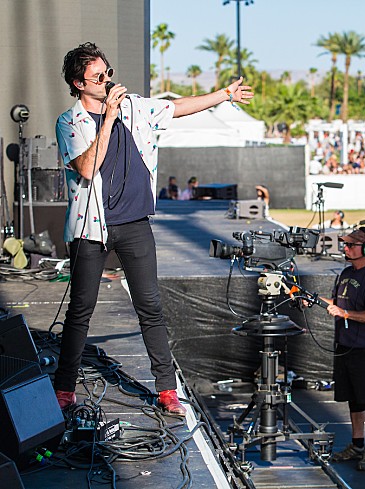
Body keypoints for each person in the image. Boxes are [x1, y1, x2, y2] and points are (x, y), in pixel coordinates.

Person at [53, 42, 253, 414]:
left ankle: (166, 389)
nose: (108, 80)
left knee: (151, 306)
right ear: (79, 83)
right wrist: (108, 119)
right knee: (81, 308)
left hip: (134, 223)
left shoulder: (134, 107)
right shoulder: (70, 121)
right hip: (90, 228)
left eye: (108, 72)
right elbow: (85, 167)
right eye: (98, 77)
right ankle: (64, 386)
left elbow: (178, 107)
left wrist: (224, 95)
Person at [322, 228, 365, 472]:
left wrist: (346, 313)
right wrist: (312, 299)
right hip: (345, 345)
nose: (346, 249)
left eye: (351, 245)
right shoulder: (345, 273)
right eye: (345, 245)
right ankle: (357, 444)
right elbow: (336, 303)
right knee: (353, 399)